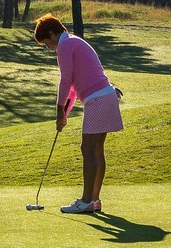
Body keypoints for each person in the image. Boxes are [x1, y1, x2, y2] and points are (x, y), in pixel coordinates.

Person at [34, 13, 124, 214]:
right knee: (96, 149)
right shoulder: (73, 42)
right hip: (105, 95)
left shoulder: (65, 46)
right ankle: (93, 200)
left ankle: (86, 201)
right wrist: (64, 113)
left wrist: (58, 111)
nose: (49, 48)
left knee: (88, 148)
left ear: (51, 34)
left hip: (98, 98)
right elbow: (74, 88)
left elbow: (65, 80)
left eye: (47, 43)